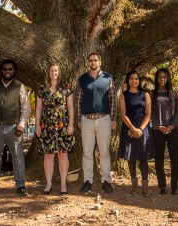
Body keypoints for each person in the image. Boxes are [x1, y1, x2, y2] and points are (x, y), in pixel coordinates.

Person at [0, 59, 31, 196]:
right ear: (1, 71)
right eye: (5, 69)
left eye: (10, 69)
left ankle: (20, 186)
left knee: (17, 157)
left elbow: (26, 108)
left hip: (14, 128)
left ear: (14, 71)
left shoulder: (20, 86)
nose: (7, 72)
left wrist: (21, 125)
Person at [77, 52, 117, 194]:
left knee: (104, 152)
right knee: (87, 153)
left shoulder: (108, 78)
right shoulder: (82, 79)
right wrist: (78, 119)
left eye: (95, 60)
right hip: (86, 120)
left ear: (100, 62)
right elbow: (79, 100)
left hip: (103, 120)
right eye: (91, 60)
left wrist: (113, 119)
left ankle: (106, 181)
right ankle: (87, 180)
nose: (93, 62)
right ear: (88, 62)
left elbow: (113, 100)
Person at [35, 63, 75, 195]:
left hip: (63, 125)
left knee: (63, 154)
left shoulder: (65, 87)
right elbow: (39, 108)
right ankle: (48, 184)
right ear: (48, 72)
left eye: (56, 70)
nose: (54, 73)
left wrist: (71, 124)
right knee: (48, 155)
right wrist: (37, 125)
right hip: (46, 125)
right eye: (52, 70)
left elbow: (70, 107)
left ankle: (63, 184)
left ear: (59, 72)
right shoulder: (42, 89)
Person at [118, 70, 153, 197]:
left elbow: (148, 114)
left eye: (136, 79)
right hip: (128, 129)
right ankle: (134, 186)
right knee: (131, 158)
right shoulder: (124, 96)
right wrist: (133, 129)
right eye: (131, 79)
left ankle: (145, 187)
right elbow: (123, 114)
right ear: (128, 81)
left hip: (143, 129)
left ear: (139, 80)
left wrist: (140, 129)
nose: (134, 81)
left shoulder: (145, 95)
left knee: (143, 159)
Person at [151, 67, 178, 195]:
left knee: (175, 158)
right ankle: (162, 185)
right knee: (159, 158)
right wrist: (158, 126)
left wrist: (173, 125)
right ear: (156, 79)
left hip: (173, 130)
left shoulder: (173, 93)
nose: (162, 79)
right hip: (158, 130)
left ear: (167, 78)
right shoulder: (152, 94)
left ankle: (175, 186)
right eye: (159, 77)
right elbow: (150, 112)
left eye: (164, 77)